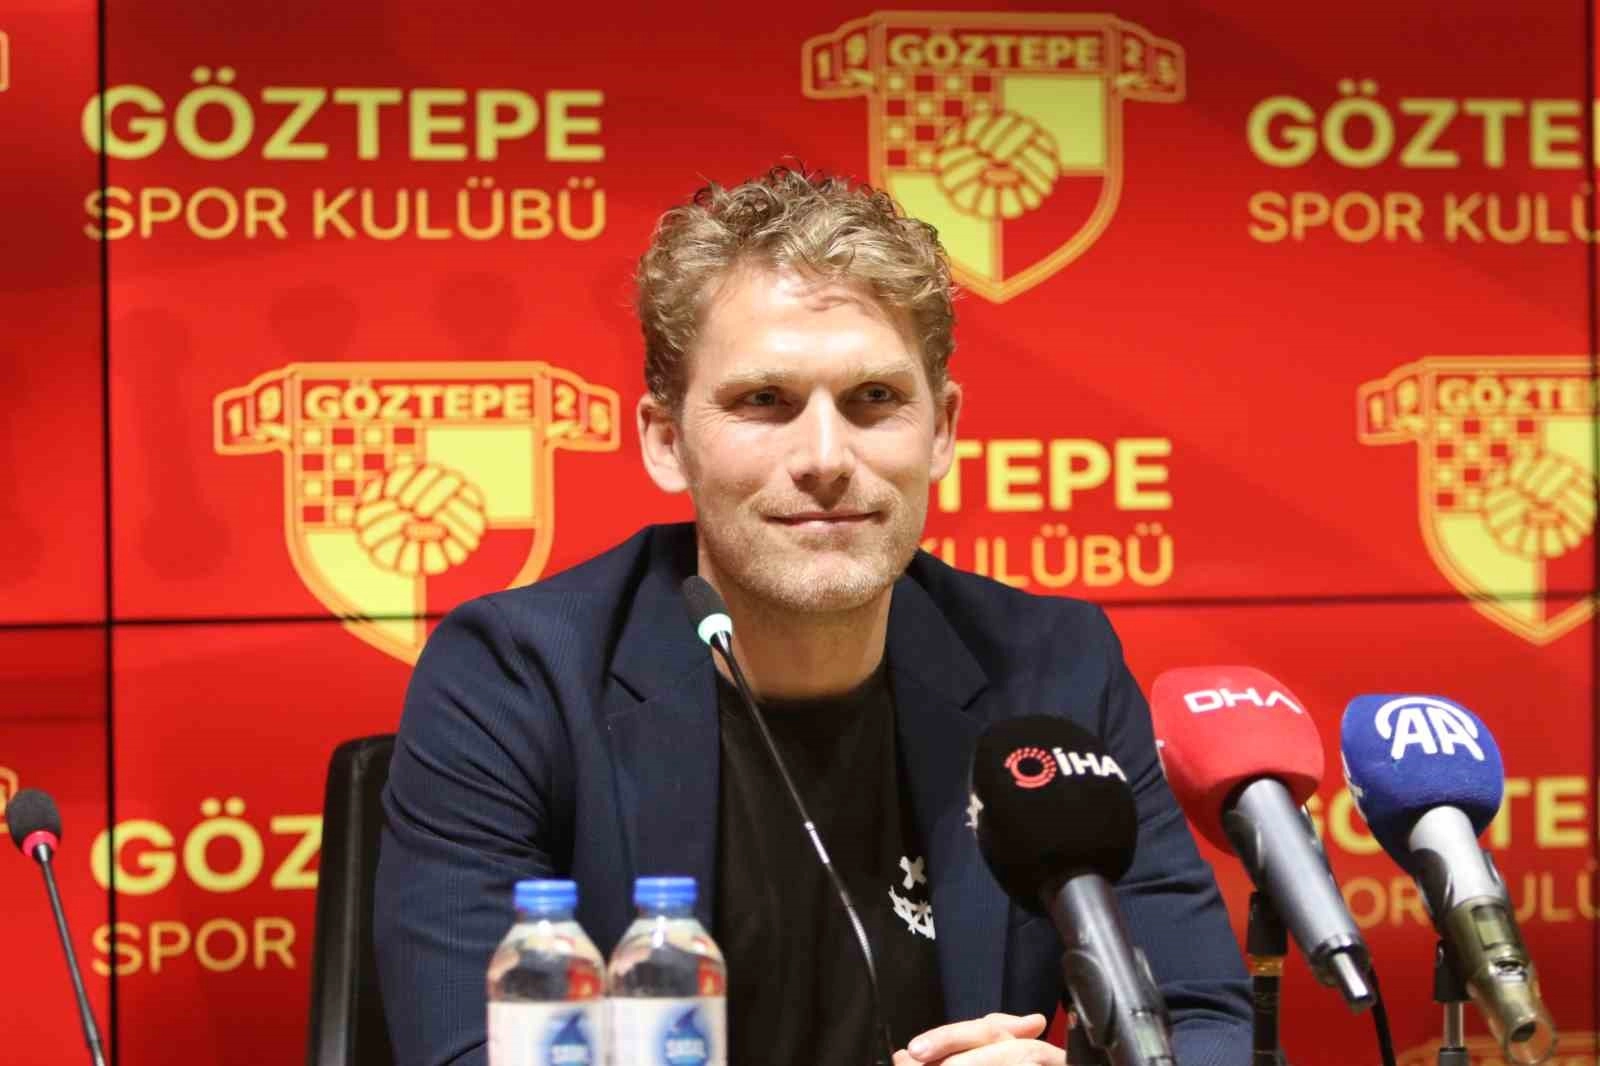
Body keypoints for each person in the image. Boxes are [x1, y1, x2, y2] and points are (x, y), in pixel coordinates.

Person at [375, 165, 1251, 1066]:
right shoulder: (520, 674)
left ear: (941, 430)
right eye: (765, 402)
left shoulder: (1051, 667)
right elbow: (464, 1053)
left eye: (875, 400)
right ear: (667, 441)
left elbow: (1205, 1022)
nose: (825, 457)